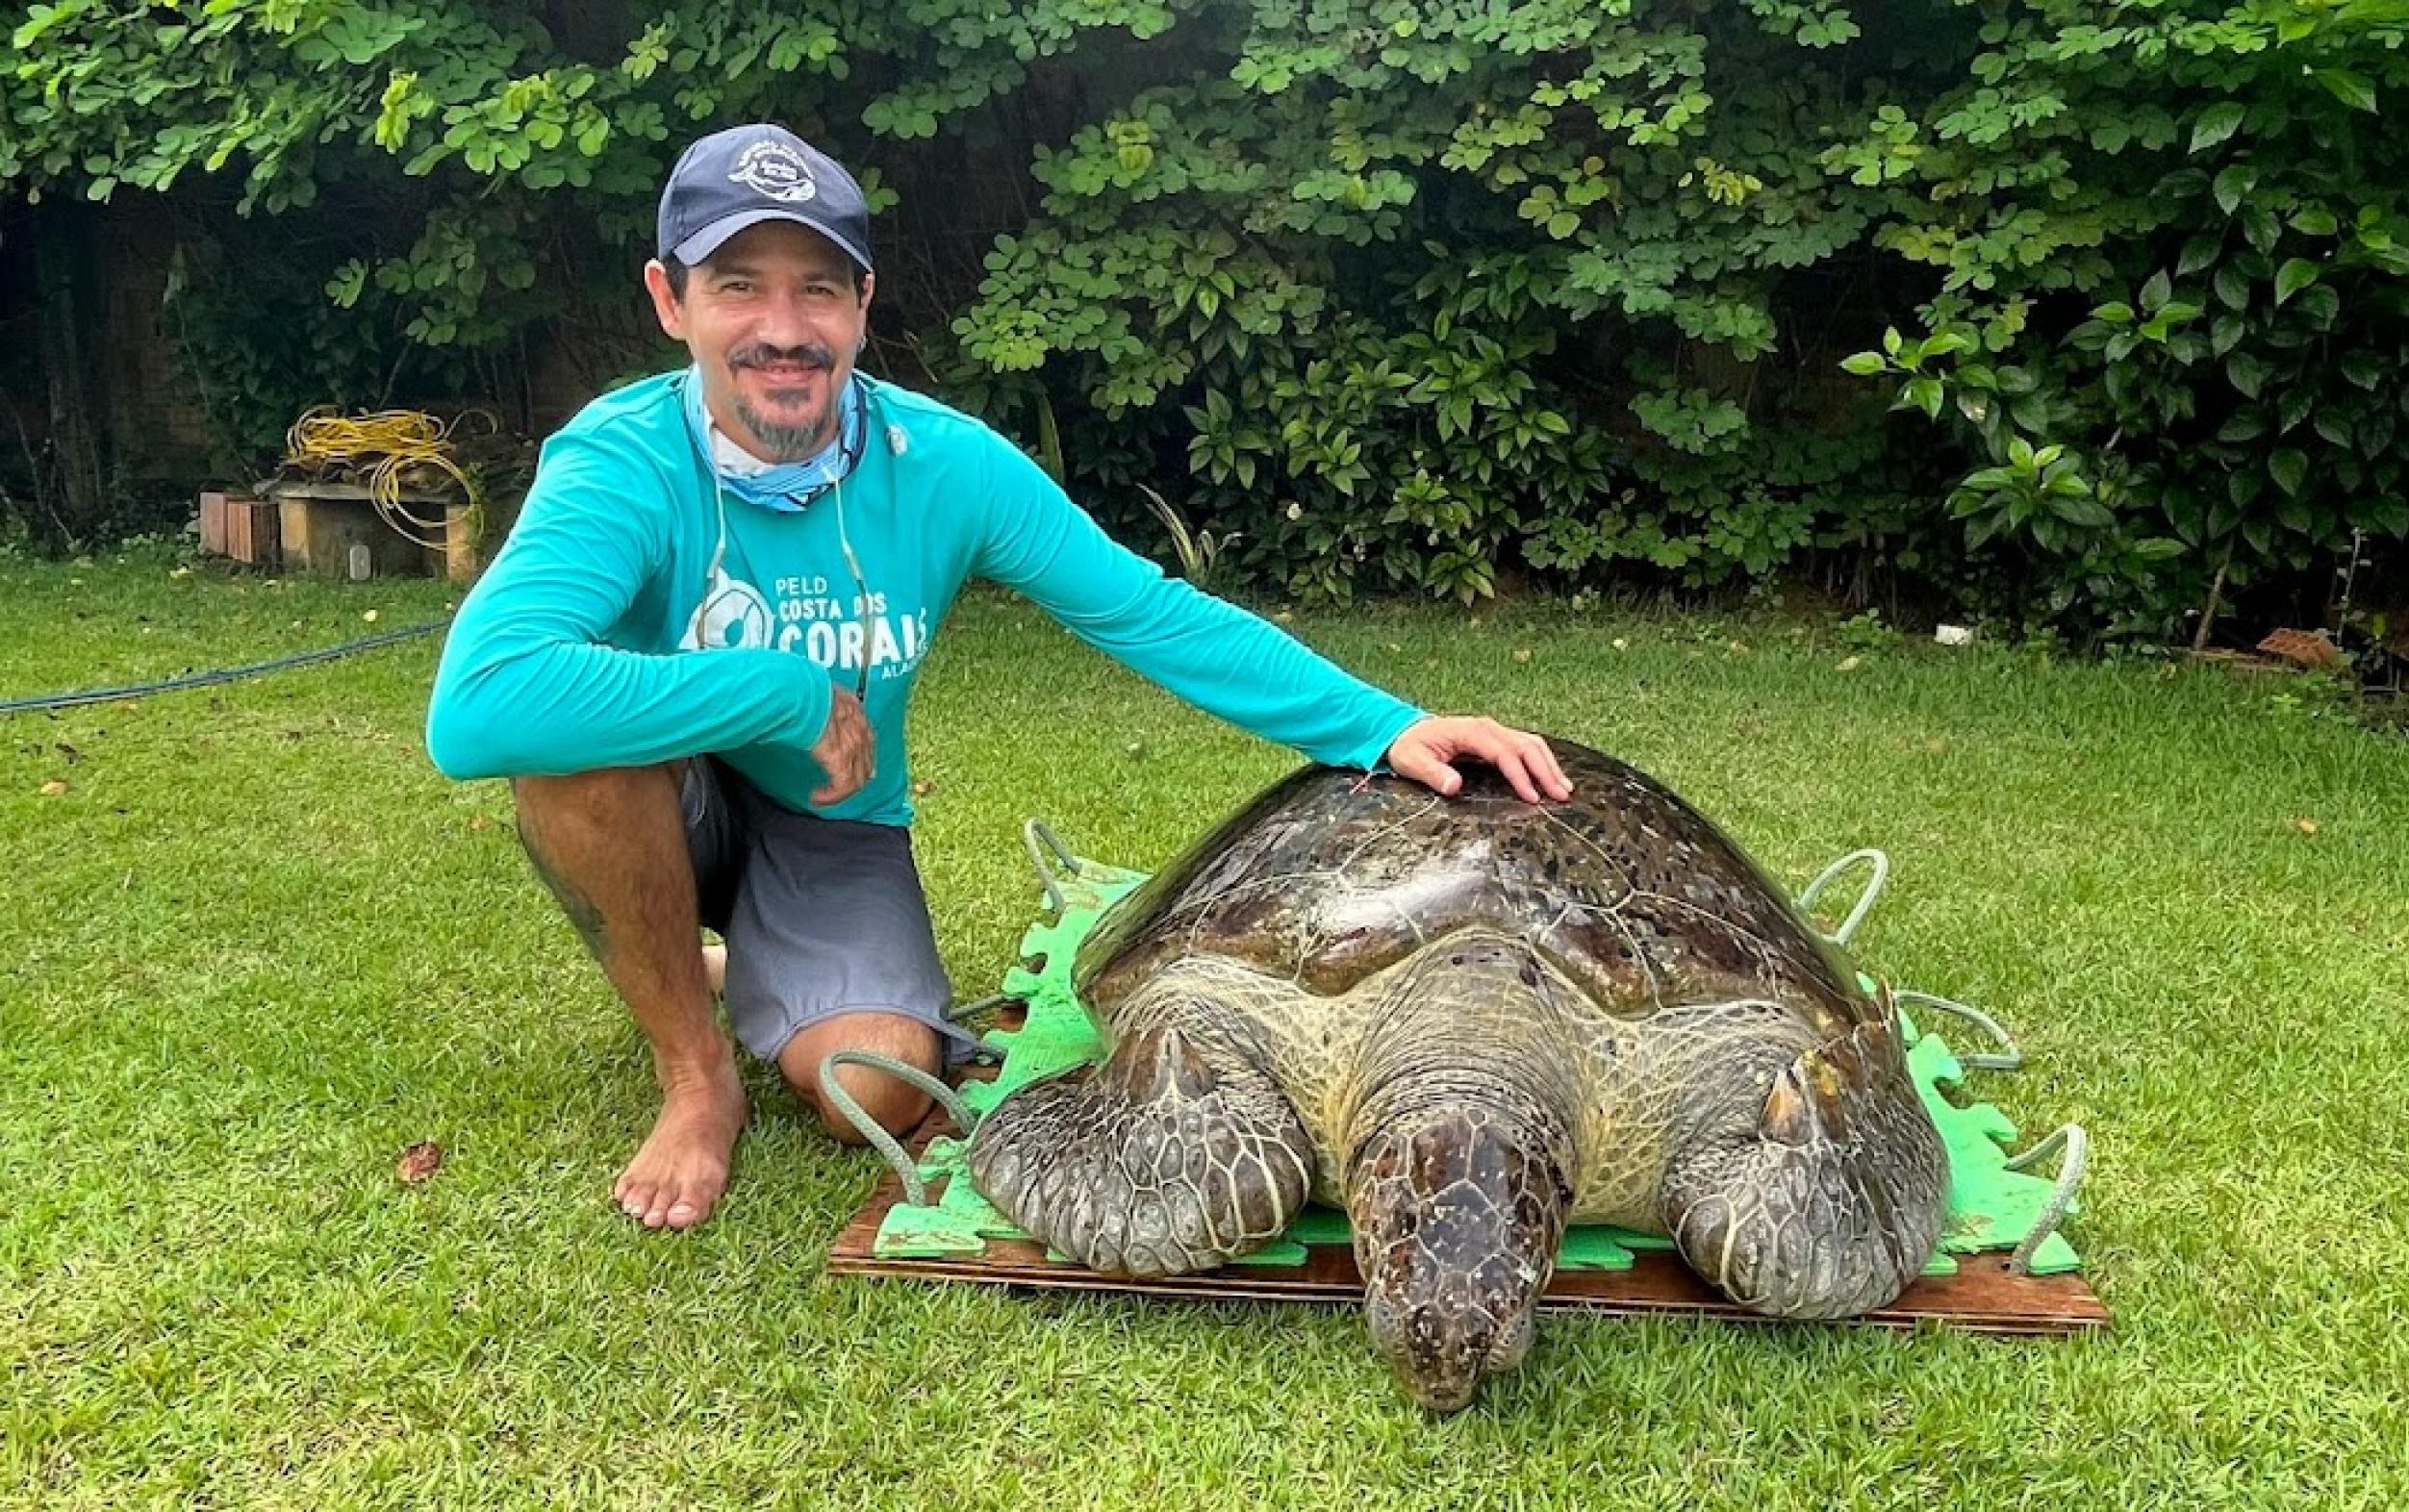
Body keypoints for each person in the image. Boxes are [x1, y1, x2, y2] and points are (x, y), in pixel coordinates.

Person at [425, 122, 1572, 1234]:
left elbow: (1148, 611)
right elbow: (479, 706)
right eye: (738, 286)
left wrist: (1383, 722)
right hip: (663, 790)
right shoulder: (620, 460)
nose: (783, 329)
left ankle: (738, 959)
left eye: (818, 289)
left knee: (873, 1084)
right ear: (671, 300)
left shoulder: (946, 464)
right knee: (569, 757)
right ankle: (695, 1075)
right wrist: (777, 691)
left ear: (862, 305)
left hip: (832, 819)